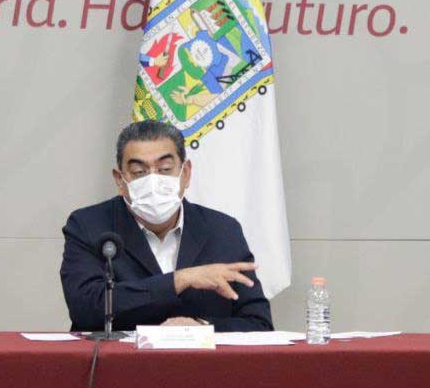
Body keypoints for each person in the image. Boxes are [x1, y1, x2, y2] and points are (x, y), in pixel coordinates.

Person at [59, 120, 273, 332]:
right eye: (139, 172)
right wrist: (179, 280)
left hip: (202, 355)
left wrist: (202, 328)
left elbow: (259, 324)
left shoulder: (223, 231)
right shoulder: (89, 225)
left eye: (165, 169)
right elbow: (85, 309)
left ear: (185, 173)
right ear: (120, 180)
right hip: (122, 355)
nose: (153, 182)